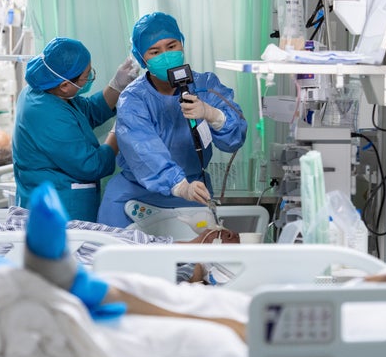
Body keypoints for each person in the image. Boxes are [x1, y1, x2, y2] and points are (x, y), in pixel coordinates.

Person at [98, 12, 248, 227]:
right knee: (121, 257)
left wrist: (213, 115)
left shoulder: (205, 86)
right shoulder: (133, 99)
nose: (166, 55)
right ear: (142, 58)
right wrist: (179, 185)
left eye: (171, 46)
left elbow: (234, 139)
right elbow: (143, 150)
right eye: (155, 51)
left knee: (196, 259)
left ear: (182, 44)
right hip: (135, 194)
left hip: (194, 192)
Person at [13, 37, 140, 222]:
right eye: (86, 75)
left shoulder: (44, 91)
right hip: (61, 211)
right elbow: (92, 165)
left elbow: (85, 111)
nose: (88, 79)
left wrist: (116, 86)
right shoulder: (46, 114)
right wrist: (118, 131)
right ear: (65, 86)